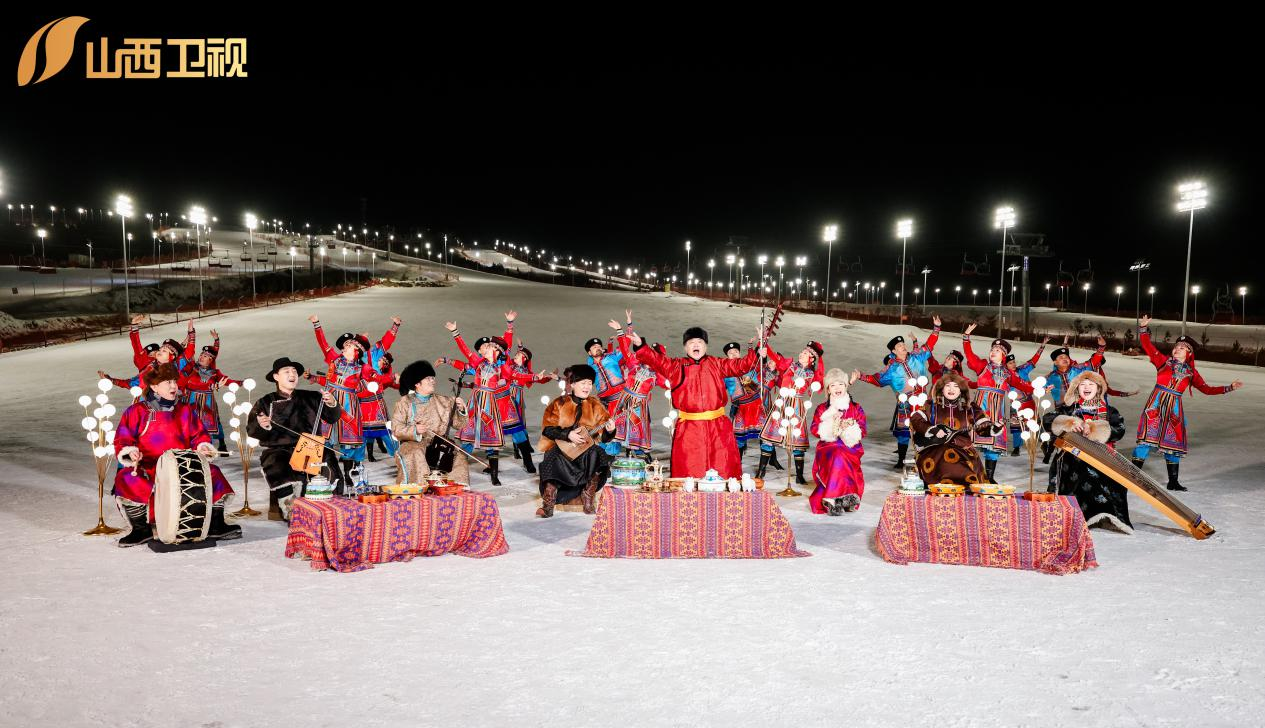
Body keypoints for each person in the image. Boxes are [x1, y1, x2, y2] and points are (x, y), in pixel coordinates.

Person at [112, 363, 239, 547]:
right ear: (154, 386)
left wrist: (203, 446)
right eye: (167, 382)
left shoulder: (185, 410)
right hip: (150, 468)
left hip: (184, 467)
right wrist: (130, 451)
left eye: (174, 381)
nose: (173, 386)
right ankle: (141, 529)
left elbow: (199, 435)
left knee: (213, 473)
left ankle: (215, 523)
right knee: (126, 478)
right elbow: (123, 438)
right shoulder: (136, 411)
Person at [627, 318, 762, 478]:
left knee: (723, 469)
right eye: (691, 342)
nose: (696, 345)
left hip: (718, 427)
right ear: (685, 347)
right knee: (689, 471)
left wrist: (758, 348)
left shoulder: (717, 364)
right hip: (689, 429)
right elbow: (656, 360)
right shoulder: (676, 366)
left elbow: (741, 365)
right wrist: (640, 346)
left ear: (706, 346)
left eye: (700, 342)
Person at [1130, 315, 1243, 490]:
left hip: (1174, 410)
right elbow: (1148, 346)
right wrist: (1143, 329)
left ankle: (1173, 482)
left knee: (1172, 444)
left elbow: (1207, 389)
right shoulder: (1163, 361)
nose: (1177, 349)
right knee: (1146, 440)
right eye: (1176, 346)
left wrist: (1229, 388)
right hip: (1156, 406)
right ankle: (1131, 476)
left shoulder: (1191, 372)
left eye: (1182, 347)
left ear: (1189, 353)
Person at [443, 317, 549, 485]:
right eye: (485, 347)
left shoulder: (504, 365)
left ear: (498, 350)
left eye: (490, 346)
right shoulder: (480, 362)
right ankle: (455, 466)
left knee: (517, 431)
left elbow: (515, 373)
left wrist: (534, 377)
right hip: (482, 403)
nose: (486, 348)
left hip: (503, 402)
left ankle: (528, 462)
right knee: (473, 432)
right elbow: (466, 356)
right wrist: (455, 333)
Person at [247, 357, 343, 519]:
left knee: (327, 458)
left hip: (312, 447)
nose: (292, 374)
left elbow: (332, 417)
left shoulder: (313, 397)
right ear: (276, 377)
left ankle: (331, 504)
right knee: (276, 462)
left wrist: (332, 403)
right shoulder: (265, 402)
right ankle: (290, 507)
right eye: (287, 371)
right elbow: (252, 430)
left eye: (294, 372)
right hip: (281, 449)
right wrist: (262, 425)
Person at [1042, 370, 1130, 532]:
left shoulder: (1109, 411)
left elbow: (1120, 429)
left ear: (1099, 388)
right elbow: (1047, 420)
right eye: (1082, 384)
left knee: (1116, 481)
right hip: (1072, 457)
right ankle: (1075, 515)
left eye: (1091, 384)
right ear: (1076, 388)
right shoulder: (1069, 409)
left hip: (1102, 456)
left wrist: (1096, 429)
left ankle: (1105, 515)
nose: (1087, 387)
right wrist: (1068, 423)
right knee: (1080, 470)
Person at [857, 316, 941, 469]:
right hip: (905, 402)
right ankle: (901, 459)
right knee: (904, 431)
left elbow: (929, 345)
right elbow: (877, 380)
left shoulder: (917, 356)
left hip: (923, 400)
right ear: (894, 351)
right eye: (899, 345)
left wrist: (936, 328)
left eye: (903, 344)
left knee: (925, 428)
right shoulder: (891, 369)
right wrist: (861, 376)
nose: (903, 346)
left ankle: (925, 459)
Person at [536, 364, 617, 518]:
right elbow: (548, 429)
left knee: (599, 453)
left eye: (589, 383)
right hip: (562, 449)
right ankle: (548, 504)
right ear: (572, 384)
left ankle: (588, 496)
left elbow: (605, 438)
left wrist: (610, 430)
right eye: (583, 383)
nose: (587, 387)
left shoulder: (595, 405)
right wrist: (568, 434)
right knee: (551, 457)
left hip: (585, 451)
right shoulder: (559, 403)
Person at [961, 324, 1034, 482]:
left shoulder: (1008, 373)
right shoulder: (982, 366)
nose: (993, 352)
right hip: (980, 409)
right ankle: (967, 474)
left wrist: (1039, 388)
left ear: (1003, 355)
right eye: (992, 349)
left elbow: (1022, 385)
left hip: (997, 411)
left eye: (997, 350)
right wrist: (966, 337)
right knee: (970, 441)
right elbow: (970, 356)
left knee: (993, 443)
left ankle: (989, 477)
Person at [907, 369, 998, 487]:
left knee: (963, 464)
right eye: (947, 386)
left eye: (956, 386)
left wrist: (993, 428)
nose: (951, 389)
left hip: (963, 449)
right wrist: (932, 429)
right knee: (944, 458)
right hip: (935, 450)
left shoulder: (970, 408)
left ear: (961, 390)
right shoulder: (931, 407)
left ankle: (964, 489)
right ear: (941, 389)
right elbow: (915, 419)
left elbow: (983, 426)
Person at [756, 341, 825, 484]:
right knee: (770, 437)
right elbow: (774, 357)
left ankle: (799, 475)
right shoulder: (790, 365)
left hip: (797, 407)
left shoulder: (812, 374)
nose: (801, 354)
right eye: (802, 351)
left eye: (805, 353)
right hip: (782, 404)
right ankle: (761, 471)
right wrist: (764, 341)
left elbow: (821, 388)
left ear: (812, 358)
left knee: (796, 441)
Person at [391, 360, 470, 486]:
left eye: (433, 378)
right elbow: (396, 429)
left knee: (459, 454)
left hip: (439, 442)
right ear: (417, 383)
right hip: (414, 443)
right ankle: (422, 487)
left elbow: (459, 424)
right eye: (428, 378)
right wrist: (415, 430)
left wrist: (461, 410)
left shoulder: (445, 401)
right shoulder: (404, 403)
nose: (432, 381)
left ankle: (455, 487)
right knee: (416, 453)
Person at [808, 368, 867, 515]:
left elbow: (863, 430)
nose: (837, 388)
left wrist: (849, 427)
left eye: (840, 384)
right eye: (833, 385)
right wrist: (830, 425)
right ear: (828, 389)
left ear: (846, 386)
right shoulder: (822, 408)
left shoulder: (856, 408)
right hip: (828, 446)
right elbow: (814, 429)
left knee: (840, 452)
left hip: (850, 445)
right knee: (838, 453)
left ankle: (837, 498)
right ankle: (837, 498)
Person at [613, 313, 668, 461]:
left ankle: (643, 453)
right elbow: (624, 348)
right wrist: (621, 330)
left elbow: (671, 385)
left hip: (639, 403)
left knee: (637, 426)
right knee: (623, 425)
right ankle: (627, 453)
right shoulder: (634, 363)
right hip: (626, 399)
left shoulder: (657, 375)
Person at [180, 333, 240, 454]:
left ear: (211, 360)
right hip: (190, 401)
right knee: (190, 423)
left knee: (210, 424)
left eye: (205, 356)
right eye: (201, 354)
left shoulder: (214, 373)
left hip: (206, 403)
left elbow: (227, 381)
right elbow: (183, 377)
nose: (201, 357)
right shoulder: (191, 367)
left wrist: (243, 383)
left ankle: (216, 445)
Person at [723, 341, 763, 459]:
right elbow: (719, 387)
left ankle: (769, 460)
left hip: (756, 404)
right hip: (740, 407)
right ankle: (738, 462)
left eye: (736, 351)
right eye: (730, 353)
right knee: (739, 437)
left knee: (764, 434)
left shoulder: (748, 365)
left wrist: (752, 346)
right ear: (727, 356)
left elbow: (755, 358)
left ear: (740, 353)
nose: (734, 354)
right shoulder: (725, 372)